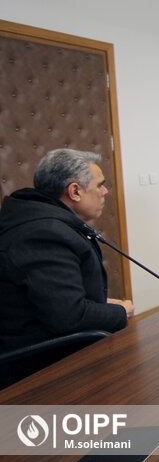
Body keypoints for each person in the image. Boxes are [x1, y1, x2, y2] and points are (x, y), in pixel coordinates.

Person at [0, 149, 133, 375]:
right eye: (100, 185)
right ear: (75, 191)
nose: (105, 191)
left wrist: (99, 303)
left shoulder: (39, 219)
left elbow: (54, 297)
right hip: (40, 368)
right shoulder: (43, 234)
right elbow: (70, 317)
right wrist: (120, 311)